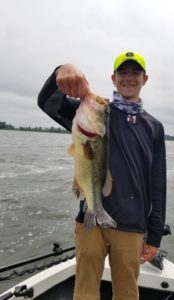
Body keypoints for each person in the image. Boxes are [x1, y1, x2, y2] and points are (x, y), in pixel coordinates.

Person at [38, 51, 166, 300]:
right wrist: (61, 70)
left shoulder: (154, 127)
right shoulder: (95, 110)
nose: (128, 78)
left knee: (128, 293)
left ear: (145, 79)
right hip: (90, 223)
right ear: (113, 78)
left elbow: (158, 182)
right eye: (122, 73)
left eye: (135, 73)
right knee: (84, 292)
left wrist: (155, 234)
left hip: (132, 225)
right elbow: (48, 103)